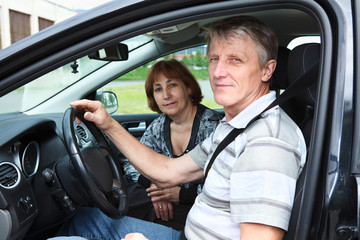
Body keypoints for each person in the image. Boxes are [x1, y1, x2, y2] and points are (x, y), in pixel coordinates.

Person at [53, 15, 306, 240]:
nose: (218, 72)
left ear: (267, 70)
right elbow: (168, 170)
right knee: (85, 219)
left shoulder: (266, 142)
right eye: (214, 59)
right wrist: (108, 124)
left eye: (235, 60)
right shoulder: (235, 126)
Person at [123, 59, 222, 230]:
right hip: (168, 211)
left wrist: (183, 195)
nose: (166, 95)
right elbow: (131, 163)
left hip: (205, 216)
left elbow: (224, 184)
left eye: (172, 85)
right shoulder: (158, 126)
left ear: (189, 88)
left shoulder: (213, 127)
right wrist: (156, 186)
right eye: (158, 89)